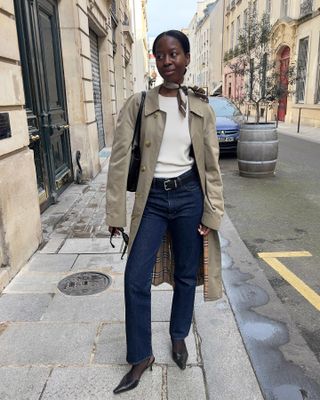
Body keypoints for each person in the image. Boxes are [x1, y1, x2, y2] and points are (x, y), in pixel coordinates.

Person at [106, 30, 224, 395]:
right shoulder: (138, 103)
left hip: (189, 196)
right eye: (160, 55)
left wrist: (212, 212)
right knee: (134, 277)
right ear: (156, 61)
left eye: (174, 54)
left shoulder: (201, 108)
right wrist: (115, 213)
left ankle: (178, 337)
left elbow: (211, 165)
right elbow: (119, 159)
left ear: (187, 58)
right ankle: (141, 356)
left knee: (187, 274)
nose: (167, 61)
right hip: (152, 200)